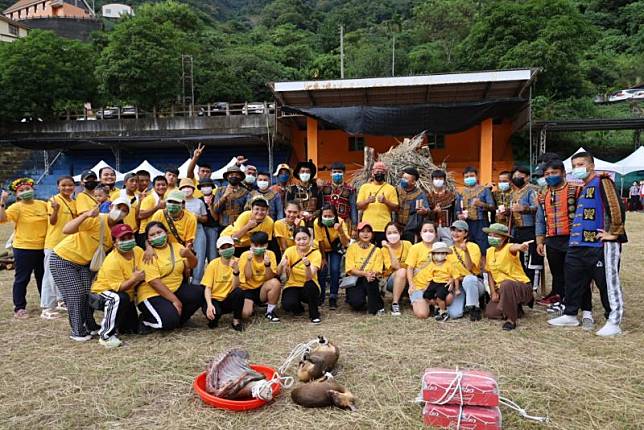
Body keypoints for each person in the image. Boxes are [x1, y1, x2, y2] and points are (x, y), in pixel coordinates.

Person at [548, 152, 627, 337]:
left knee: (606, 282)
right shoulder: (583, 187)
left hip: (599, 244)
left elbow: (616, 207)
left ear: (591, 165)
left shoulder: (603, 181)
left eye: (581, 164)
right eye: (574, 165)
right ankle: (570, 314)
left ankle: (614, 320)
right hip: (578, 244)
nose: (577, 168)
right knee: (573, 280)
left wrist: (614, 233)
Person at [49, 197, 130, 341]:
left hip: (85, 264)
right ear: (111, 206)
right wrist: (85, 215)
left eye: (124, 210)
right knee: (76, 294)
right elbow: (67, 229)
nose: (120, 212)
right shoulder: (97, 219)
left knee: (88, 294)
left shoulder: (117, 230)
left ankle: (91, 325)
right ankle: (77, 330)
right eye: (118, 208)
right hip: (63, 258)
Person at [535, 159, 585, 316]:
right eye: (547, 174)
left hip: (572, 238)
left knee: (572, 271)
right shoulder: (543, 194)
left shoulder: (576, 190)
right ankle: (559, 299)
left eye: (554, 173)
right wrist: (540, 240)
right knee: (557, 272)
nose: (550, 176)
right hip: (552, 239)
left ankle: (572, 302)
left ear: (563, 173)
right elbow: (540, 219)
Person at [137, 222, 203, 332]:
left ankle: (179, 319)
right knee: (168, 323)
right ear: (148, 240)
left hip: (175, 288)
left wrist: (189, 254)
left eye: (159, 232)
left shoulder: (177, 247)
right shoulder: (148, 255)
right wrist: (176, 301)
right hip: (153, 293)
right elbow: (154, 282)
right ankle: (144, 322)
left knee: (200, 292)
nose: (157, 236)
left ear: (166, 233)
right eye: (152, 235)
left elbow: (192, 265)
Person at [0, 178, 48, 319]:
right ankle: (19, 307)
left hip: (43, 246)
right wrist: (2, 201)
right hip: (23, 248)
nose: (25, 192)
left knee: (43, 277)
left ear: (33, 190)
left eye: (28, 189)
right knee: (22, 278)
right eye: (21, 190)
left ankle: (45, 304)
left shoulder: (43, 204)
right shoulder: (16, 207)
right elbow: (2, 219)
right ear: (17, 194)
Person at [89, 224, 142, 348]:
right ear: (114, 242)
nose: (127, 241)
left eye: (130, 237)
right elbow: (119, 288)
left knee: (131, 330)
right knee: (117, 298)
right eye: (122, 239)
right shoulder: (112, 260)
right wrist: (135, 278)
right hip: (103, 292)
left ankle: (118, 325)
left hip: (126, 295)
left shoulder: (138, 251)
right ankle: (105, 336)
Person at [482, 223, 533, 331]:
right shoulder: (489, 251)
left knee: (506, 284)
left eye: (496, 236)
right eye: (490, 235)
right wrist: (493, 292)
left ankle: (511, 320)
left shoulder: (509, 248)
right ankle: (515, 308)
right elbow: (490, 273)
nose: (492, 238)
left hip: (520, 286)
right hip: (501, 289)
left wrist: (521, 246)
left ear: (504, 238)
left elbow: (515, 248)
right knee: (490, 312)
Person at [41, 176, 77, 320]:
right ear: (58, 186)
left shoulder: (74, 202)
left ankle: (61, 301)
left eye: (70, 185)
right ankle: (46, 307)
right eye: (63, 185)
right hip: (54, 243)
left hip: (68, 244)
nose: (67, 188)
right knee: (49, 275)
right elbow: (53, 221)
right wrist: (55, 210)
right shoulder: (53, 201)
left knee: (63, 274)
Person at [279, 227, 322, 324]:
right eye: (298, 239)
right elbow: (279, 274)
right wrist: (282, 265)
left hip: (309, 284)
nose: (302, 242)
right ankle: (299, 308)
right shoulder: (289, 251)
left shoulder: (316, 253)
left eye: (304, 238)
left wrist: (307, 265)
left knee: (310, 285)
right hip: (293, 284)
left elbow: (310, 277)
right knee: (288, 305)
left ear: (310, 238)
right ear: (294, 240)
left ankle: (314, 314)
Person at [408, 242, 460, 321]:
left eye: (442, 253)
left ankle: (442, 312)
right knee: (425, 300)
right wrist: (424, 287)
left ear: (446, 254)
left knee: (443, 298)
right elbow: (429, 277)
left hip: (442, 284)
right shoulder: (431, 264)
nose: (440, 255)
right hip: (427, 284)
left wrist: (456, 288)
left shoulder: (449, 264)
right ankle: (436, 306)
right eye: (437, 253)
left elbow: (456, 276)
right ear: (433, 254)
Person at [202, 236, 245, 331]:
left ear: (234, 247)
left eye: (229, 246)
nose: (227, 250)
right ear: (218, 250)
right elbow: (207, 288)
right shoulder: (213, 264)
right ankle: (213, 319)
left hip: (228, 298)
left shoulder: (239, 262)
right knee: (214, 314)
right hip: (215, 299)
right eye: (223, 248)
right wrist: (209, 304)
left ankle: (236, 320)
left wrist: (236, 271)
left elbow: (236, 287)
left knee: (239, 292)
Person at [509, 165, 542, 288]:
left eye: (520, 175)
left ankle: (531, 287)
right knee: (518, 258)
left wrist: (524, 208)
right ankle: (520, 284)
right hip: (517, 229)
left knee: (530, 260)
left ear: (527, 177)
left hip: (530, 228)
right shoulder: (514, 193)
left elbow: (538, 208)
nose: (516, 178)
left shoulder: (532, 190)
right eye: (515, 176)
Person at [238, 231, 282, 323]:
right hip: (247, 289)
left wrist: (267, 265)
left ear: (266, 245)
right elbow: (248, 276)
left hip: (262, 288)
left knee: (275, 283)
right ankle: (251, 305)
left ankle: (270, 311)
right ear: (251, 244)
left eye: (262, 245)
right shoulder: (245, 255)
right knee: (245, 314)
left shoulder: (270, 254)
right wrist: (249, 261)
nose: (258, 248)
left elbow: (270, 278)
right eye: (256, 245)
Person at [314, 204, 351, 309]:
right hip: (322, 248)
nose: (327, 218)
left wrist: (340, 231)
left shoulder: (341, 222)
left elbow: (345, 243)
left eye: (330, 216)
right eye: (325, 216)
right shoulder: (317, 223)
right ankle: (320, 296)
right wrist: (323, 258)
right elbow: (320, 241)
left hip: (335, 249)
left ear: (335, 215)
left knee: (335, 270)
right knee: (322, 270)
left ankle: (333, 297)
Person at [344, 222, 385, 315]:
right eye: (362, 231)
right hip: (356, 279)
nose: (365, 234)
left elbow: (377, 269)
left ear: (372, 234)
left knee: (371, 280)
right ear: (358, 233)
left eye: (368, 231)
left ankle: (374, 307)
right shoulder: (352, 248)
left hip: (370, 278)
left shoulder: (377, 250)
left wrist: (370, 275)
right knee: (357, 303)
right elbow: (350, 269)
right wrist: (365, 274)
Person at [448, 220, 485, 321]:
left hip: (474, 283)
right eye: (453, 230)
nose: (455, 233)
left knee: (469, 279)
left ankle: (474, 308)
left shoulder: (473, 246)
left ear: (466, 233)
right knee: (454, 314)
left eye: (459, 231)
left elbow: (469, 268)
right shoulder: (448, 249)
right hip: (457, 285)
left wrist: (466, 252)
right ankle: (466, 303)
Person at [357, 161, 399, 245]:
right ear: (373, 173)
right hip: (368, 227)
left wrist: (385, 201)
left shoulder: (391, 188)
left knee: (383, 250)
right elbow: (358, 206)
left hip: (384, 226)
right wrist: (367, 201)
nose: (379, 173)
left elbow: (396, 207)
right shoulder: (365, 187)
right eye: (377, 171)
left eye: (382, 172)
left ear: (385, 174)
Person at [456, 166, 495, 252]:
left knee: (483, 248)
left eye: (471, 176)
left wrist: (481, 204)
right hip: (466, 224)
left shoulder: (484, 190)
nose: (469, 178)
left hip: (481, 223)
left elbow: (492, 207)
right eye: (466, 177)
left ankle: (483, 265)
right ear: (463, 178)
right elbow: (457, 209)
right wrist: (459, 215)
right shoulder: (460, 192)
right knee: (468, 248)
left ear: (476, 176)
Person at [179, 178, 208, 286]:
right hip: (182, 231)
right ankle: (183, 282)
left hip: (198, 230)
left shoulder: (199, 202)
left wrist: (197, 217)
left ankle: (196, 282)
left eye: (189, 187)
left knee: (199, 256)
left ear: (193, 189)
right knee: (183, 256)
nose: (186, 189)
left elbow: (205, 219)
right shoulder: (178, 202)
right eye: (184, 187)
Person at [380, 222, 412, 316]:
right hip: (391, 281)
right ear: (385, 235)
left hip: (409, 278)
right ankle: (395, 303)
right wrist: (389, 248)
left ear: (400, 233)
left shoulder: (407, 244)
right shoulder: (384, 250)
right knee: (402, 271)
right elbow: (396, 266)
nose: (392, 235)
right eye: (389, 233)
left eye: (395, 232)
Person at [320, 161, 358, 233]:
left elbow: (353, 208)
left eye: (339, 172)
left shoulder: (350, 190)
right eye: (334, 172)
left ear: (344, 173)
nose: (337, 174)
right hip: (327, 222)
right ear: (331, 173)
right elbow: (321, 205)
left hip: (344, 223)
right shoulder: (324, 188)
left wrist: (354, 226)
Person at [287, 160, 321, 227]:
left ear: (311, 174)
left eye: (307, 172)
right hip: (296, 222)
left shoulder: (317, 189)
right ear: (298, 173)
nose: (305, 174)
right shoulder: (291, 189)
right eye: (302, 172)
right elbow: (287, 207)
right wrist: (299, 213)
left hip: (314, 223)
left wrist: (313, 215)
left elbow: (321, 207)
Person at [137, 175, 168, 247]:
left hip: (157, 233)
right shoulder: (149, 198)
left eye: (163, 185)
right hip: (145, 233)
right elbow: (140, 215)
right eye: (158, 185)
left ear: (167, 186)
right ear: (154, 187)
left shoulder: (165, 198)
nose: (161, 187)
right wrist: (157, 207)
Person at [198, 178, 219, 263]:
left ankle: (213, 271)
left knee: (212, 254)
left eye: (208, 186)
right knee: (200, 254)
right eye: (203, 186)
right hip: (200, 229)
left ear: (212, 187)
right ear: (201, 188)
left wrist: (210, 207)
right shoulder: (198, 200)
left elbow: (216, 218)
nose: (206, 187)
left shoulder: (216, 199)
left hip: (213, 228)